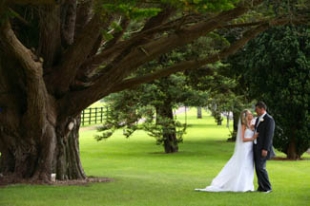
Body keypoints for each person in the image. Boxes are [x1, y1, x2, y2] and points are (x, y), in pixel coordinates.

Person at [195, 109, 258, 192]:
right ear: (246, 117)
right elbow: (242, 139)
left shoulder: (251, 125)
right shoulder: (243, 126)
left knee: (249, 166)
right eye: (249, 114)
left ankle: (247, 184)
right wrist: (252, 138)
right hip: (245, 148)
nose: (251, 115)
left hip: (250, 149)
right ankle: (239, 185)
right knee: (243, 165)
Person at [253, 101, 275, 193]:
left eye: (257, 109)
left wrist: (265, 149)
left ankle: (267, 187)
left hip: (263, 148)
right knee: (258, 168)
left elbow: (269, 136)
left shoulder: (269, 120)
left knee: (261, 168)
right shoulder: (258, 119)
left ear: (262, 109)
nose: (255, 111)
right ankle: (261, 187)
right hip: (256, 147)